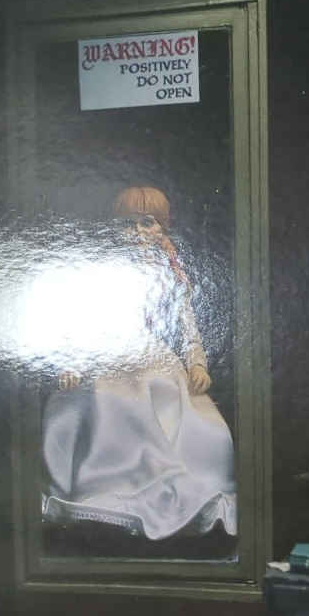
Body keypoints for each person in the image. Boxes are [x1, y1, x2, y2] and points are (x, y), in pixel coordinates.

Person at [41, 186, 237, 540]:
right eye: (128, 224)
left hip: (155, 358)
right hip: (109, 357)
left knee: (200, 424)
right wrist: (74, 363)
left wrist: (197, 364)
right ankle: (109, 482)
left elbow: (187, 326)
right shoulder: (101, 274)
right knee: (110, 403)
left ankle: (167, 483)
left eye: (147, 223)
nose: (137, 232)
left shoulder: (171, 275)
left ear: (162, 228)